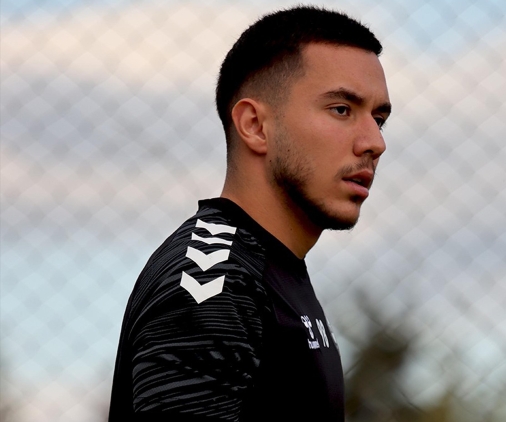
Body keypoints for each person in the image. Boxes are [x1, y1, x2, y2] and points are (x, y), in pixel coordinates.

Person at [108, 5, 391, 421]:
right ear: (255, 125)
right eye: (341, 109)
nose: (374, 143)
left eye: (378, 118)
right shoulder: (212, 281)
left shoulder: (266, 270)